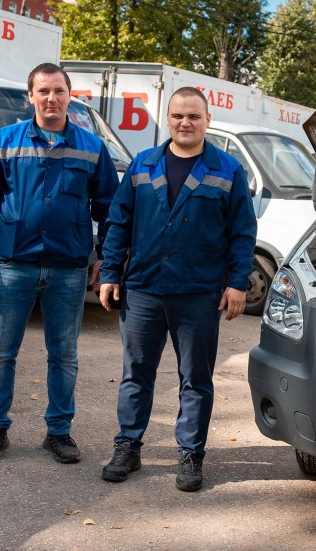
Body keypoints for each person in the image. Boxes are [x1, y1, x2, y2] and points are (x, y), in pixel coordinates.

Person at [98, 87, 257, 491]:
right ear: (167, 119)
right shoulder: (142, 164)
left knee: (195, 378)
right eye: (177, 116)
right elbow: (118, 222)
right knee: (136, 374)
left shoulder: (227, 170)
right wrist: (110, 272)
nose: (185, 123)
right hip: (144, 289)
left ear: (207, 120)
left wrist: (237, 283)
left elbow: (242, 232)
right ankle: (128, 447)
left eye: (194, 116)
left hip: (198, 293)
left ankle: (190, 454)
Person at [0, 62, 118, 465]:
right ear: (30, 96)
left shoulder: (91, 147)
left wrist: (107, 260)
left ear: (70, 96)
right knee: (0, 352)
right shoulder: (5, 141)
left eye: (59, 91)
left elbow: (110, 211)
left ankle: (59, 433)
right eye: (43, 91)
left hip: (69, 269)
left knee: (64, 354)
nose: (51, 99)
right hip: (15, 265)